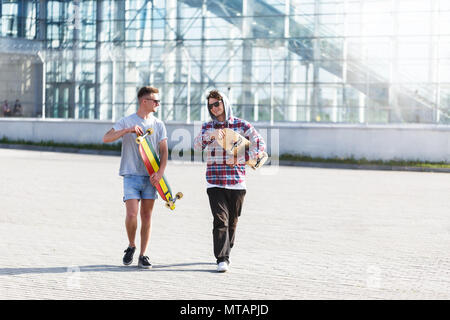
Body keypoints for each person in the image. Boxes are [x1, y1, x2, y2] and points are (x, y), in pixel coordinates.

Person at [194, 89, 266, 272]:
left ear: (224, 103)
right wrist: (207, 136)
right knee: (220, 221)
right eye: (210, 105)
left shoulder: (242, 125)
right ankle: (221, 258)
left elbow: (260, 145)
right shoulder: (206, 127)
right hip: (214, 181)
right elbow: (195, 147)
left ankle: (227, 249)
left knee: (233, 221)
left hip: (237, 182)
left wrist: (239, 159)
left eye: (216, 104)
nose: (214, 108)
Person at [103, 86, 168, 269]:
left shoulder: (159, 124)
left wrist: (160, 172)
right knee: (131, 214)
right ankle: (131, 245)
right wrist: (127, 130)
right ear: (144, 101)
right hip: (131, 174)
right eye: (155, 101)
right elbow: (106, 138)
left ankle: (143, 254)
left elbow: (164, 152)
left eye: (158, 101)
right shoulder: (127, 121)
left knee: (146, 216)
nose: (158, 104)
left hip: (151, 177)